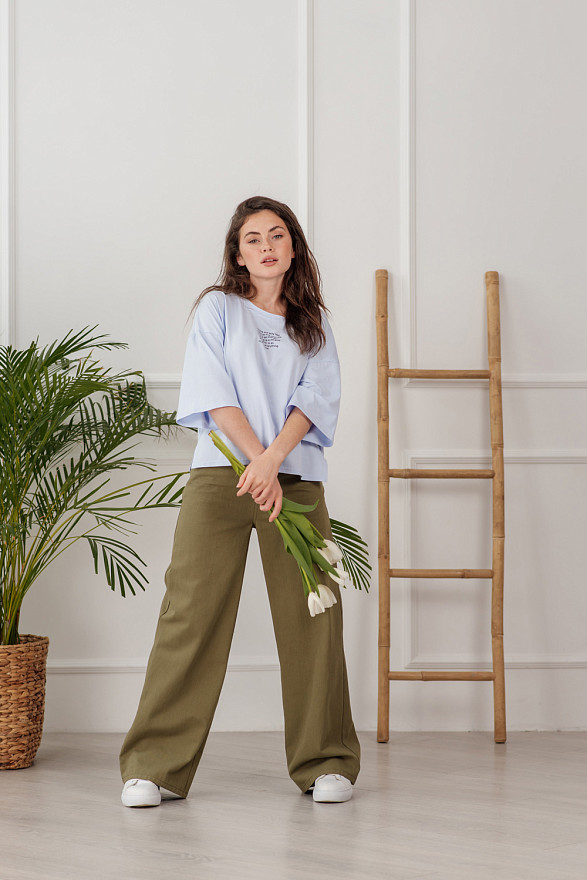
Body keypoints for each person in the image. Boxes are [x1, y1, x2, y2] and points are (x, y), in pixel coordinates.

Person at [119, 195, 361, 807]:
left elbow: (315, 399)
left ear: (294, 248)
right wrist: (258, 462)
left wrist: (273, 462)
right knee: (189, 611)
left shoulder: (314, 323)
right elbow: (213, 392)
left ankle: (325, 760)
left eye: (276, 235)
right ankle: (153, 765)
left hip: (294, 481)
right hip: (219, 478)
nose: (266, 247)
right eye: (253, 239)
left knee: (314, 616)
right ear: (238, 254)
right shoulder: (217, 309)